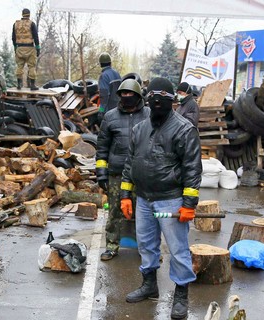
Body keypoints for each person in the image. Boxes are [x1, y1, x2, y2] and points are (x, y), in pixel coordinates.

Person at [120, 77, 202, 319]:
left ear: (173, 100)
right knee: (145, 244)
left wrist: (189, 204)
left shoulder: (185, 129)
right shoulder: (139, 129)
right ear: (147, 97)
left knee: (178, 250)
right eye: (153, 95)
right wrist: (126, 195)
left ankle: (181, 295)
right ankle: (149, 285)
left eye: (163, 96)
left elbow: (192, 169)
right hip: (144, 200)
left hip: (171, 200)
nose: (157, 100)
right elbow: (129, 164)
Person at [96, 79, 150, 261]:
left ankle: (149, 249)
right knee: (114, 212)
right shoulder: (110, 117)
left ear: (138, 96)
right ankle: (111, 246)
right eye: (123, 94)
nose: (127, 97)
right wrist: (101, 173)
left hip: (143, 173)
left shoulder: (150, 115)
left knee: (146, 213)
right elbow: (102, 147)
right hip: (117, 173)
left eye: (130, 94)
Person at [12, 8, 40, 90]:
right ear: (29, 14)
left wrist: (15, 47)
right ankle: (32, 85)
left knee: (19, 66)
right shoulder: (32, 24)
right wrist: (38, 48)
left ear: (22, 14)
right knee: (31, 67)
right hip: (30, 48)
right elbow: (35, 37)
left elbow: (13, 37)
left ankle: (19, 84)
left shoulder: (15, 24)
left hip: (19, 48)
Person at [97, 53, 121, 122]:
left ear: (100, 64)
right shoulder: (117, 73)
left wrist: (101, 111)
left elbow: (104, 97)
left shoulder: (103, 76)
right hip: (119, 108)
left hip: (109, 112)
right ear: (110, 63)